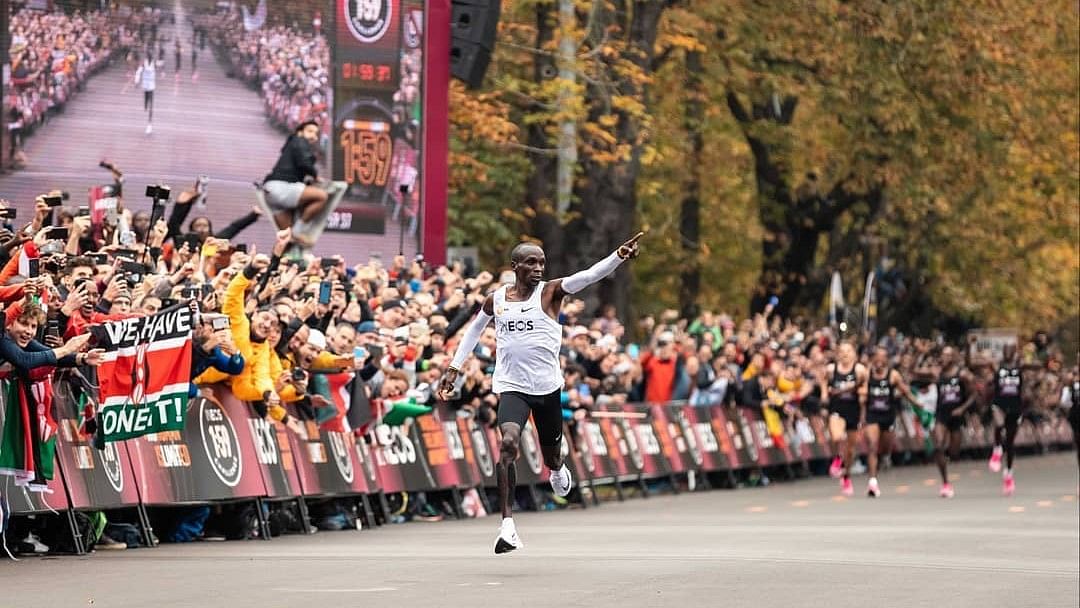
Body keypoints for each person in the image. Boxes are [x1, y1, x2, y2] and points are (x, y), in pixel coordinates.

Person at [439, 232, 644, 554]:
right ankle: (507, 526)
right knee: (507, 443)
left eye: (542, 263)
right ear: (515, 266)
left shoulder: (551, 292)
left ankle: (557, 468)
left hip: (548, 388)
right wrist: (454, 367)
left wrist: (617, 256)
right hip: (511, 386)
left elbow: (588, 276)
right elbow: (475, 329)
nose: (538, 268)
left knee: (552, 455)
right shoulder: (497, 299)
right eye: (531, 263)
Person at [260, 120, 343, 241]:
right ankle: (300, 230)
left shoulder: (292, 144)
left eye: (316, 133)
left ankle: (287, 251)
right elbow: (305, 163)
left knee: (287, 240)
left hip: (270, 193)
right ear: (300, 132)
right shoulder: (299, 140)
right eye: (310, 131)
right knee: (322, 196)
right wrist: (315, 176)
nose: (313, 136)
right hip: (281, 187)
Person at [864, 348, 918, 497]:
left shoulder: (893, 375)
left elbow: (905, 391)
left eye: (883, 357)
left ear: (887, 359)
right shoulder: (867, 374)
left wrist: (916, 404)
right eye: (877, 357)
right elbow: (860, 393)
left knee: (885, 448)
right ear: (873, 358)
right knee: (872, 446)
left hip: (888, 415)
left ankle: (885, 457)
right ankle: (872, 481)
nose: (879, 360)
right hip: (872, 415)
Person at [824, 341, 867, 497]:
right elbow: (824, 383)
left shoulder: (859, 369)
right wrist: (824, 393)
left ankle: (846, 476)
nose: (845, 354)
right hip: (837, 408)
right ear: (837, 354)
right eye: (842, 351)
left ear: (854, 354)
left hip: (853, 410)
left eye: (848, 351)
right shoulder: (831, 369)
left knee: (850, 449)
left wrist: (861, 396)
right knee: (837, 436)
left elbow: (865, 388)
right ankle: (837, 457)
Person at [933, 346, 976, 498]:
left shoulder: (962, 374)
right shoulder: (937, 373)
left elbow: (973, 394)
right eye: (942, 355)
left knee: (954, 452)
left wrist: (962, 409)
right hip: (941, 414)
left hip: (957, 415)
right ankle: (945, 483)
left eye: (947, 355)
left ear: (952, 358)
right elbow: (915, 372)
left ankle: (949, 459)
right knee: (938, 445)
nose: (943, 358)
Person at [987, 344, 1024, 495]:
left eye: (1011, 350)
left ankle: (1008, 474)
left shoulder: (1020, 366)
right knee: (999, 423)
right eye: (1005, 350)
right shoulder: (996, 366)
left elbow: (1036, 368)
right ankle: (996, 449)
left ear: (1014, 352)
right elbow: (973, 363)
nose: (1008, 352)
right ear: (1002, 352)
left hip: (1015, 406)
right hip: (999, 403)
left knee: (1010, 443)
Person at [134, 54, 157, 135]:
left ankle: (149, 125)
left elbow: (159, 65)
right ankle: (145, 106)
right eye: (149, 57)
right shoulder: (144, 63)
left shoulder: (154, 64)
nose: (151, 58)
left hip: (151, 87)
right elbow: (138, 72)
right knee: (146, 103)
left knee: (151, 106)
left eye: (152, 57)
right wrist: (136, 81)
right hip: (145, 86)